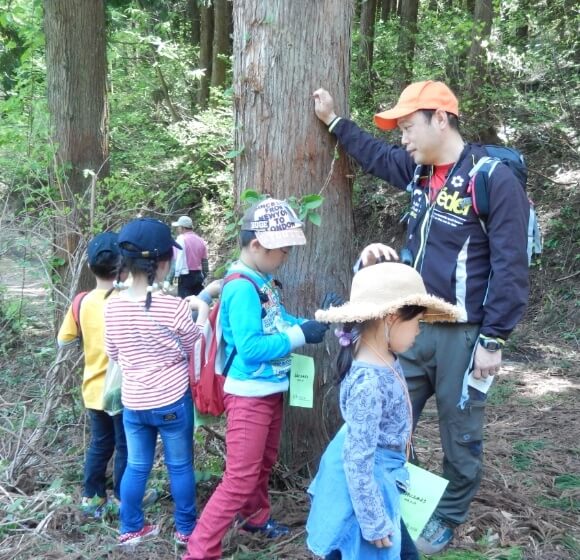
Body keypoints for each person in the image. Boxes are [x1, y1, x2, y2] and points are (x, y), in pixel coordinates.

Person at [313, 81, 530, 554]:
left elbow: (512, 264)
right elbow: (372, 154)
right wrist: (333, 121)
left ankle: (447, 517)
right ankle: (382, 504)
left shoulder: (491, 177)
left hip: (465, 336)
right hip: (408, 327)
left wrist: (493, 340)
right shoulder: (418, 171)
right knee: (384, 420)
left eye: (409, 127)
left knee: (462, 430)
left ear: (441, 118)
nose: (404, 139)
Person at [184, 198, 330, 560]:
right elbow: (250, 348)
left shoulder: (262, 280)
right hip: (249, 395)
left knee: (262, 465)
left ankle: (255, 519)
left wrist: (315, 322)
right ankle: (200, 549)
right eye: (281, 250)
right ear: (255, 246)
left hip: (269, 391)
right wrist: (299, 337)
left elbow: (278, 322)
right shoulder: (241, 287)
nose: (286, 256)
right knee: (239, 478)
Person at [306, 262, 460, 560]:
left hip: (381, 480)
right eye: (416, 322)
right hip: (365, 491)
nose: (418, 331)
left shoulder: (383, 354)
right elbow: (357, 459)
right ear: (391, 318)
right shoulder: (369, 383)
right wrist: (373, 522)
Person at [104, 218, 209, 546]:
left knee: (137, 465)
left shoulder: (112, 307)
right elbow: (195, 347)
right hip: (172, 400)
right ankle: (186, 530)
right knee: (180, 466)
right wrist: (203, 313)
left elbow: (113, 352)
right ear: (163, 263)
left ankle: (131, 528)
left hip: (134, 401)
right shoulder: (173, 307)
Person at [57, 232, 127, 518]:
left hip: (93, 389)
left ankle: (92, 498)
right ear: (123, 267)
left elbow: (64, 341)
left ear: (89, 267)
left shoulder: (81, 302)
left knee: (100, 444)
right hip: (123, 391)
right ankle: (124, 499)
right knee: (125, 446)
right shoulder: (128, 299)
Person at [168, 215, 209, 298]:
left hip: (185, 276)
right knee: (197, 302)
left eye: (178, 227)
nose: (177, 229)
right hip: (198, 275)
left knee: (185, 303)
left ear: (182, 228)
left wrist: (169, 279)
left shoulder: (180, 240)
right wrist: (205, 275)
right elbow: (204, 261)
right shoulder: (201, 240)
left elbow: (176, 261)